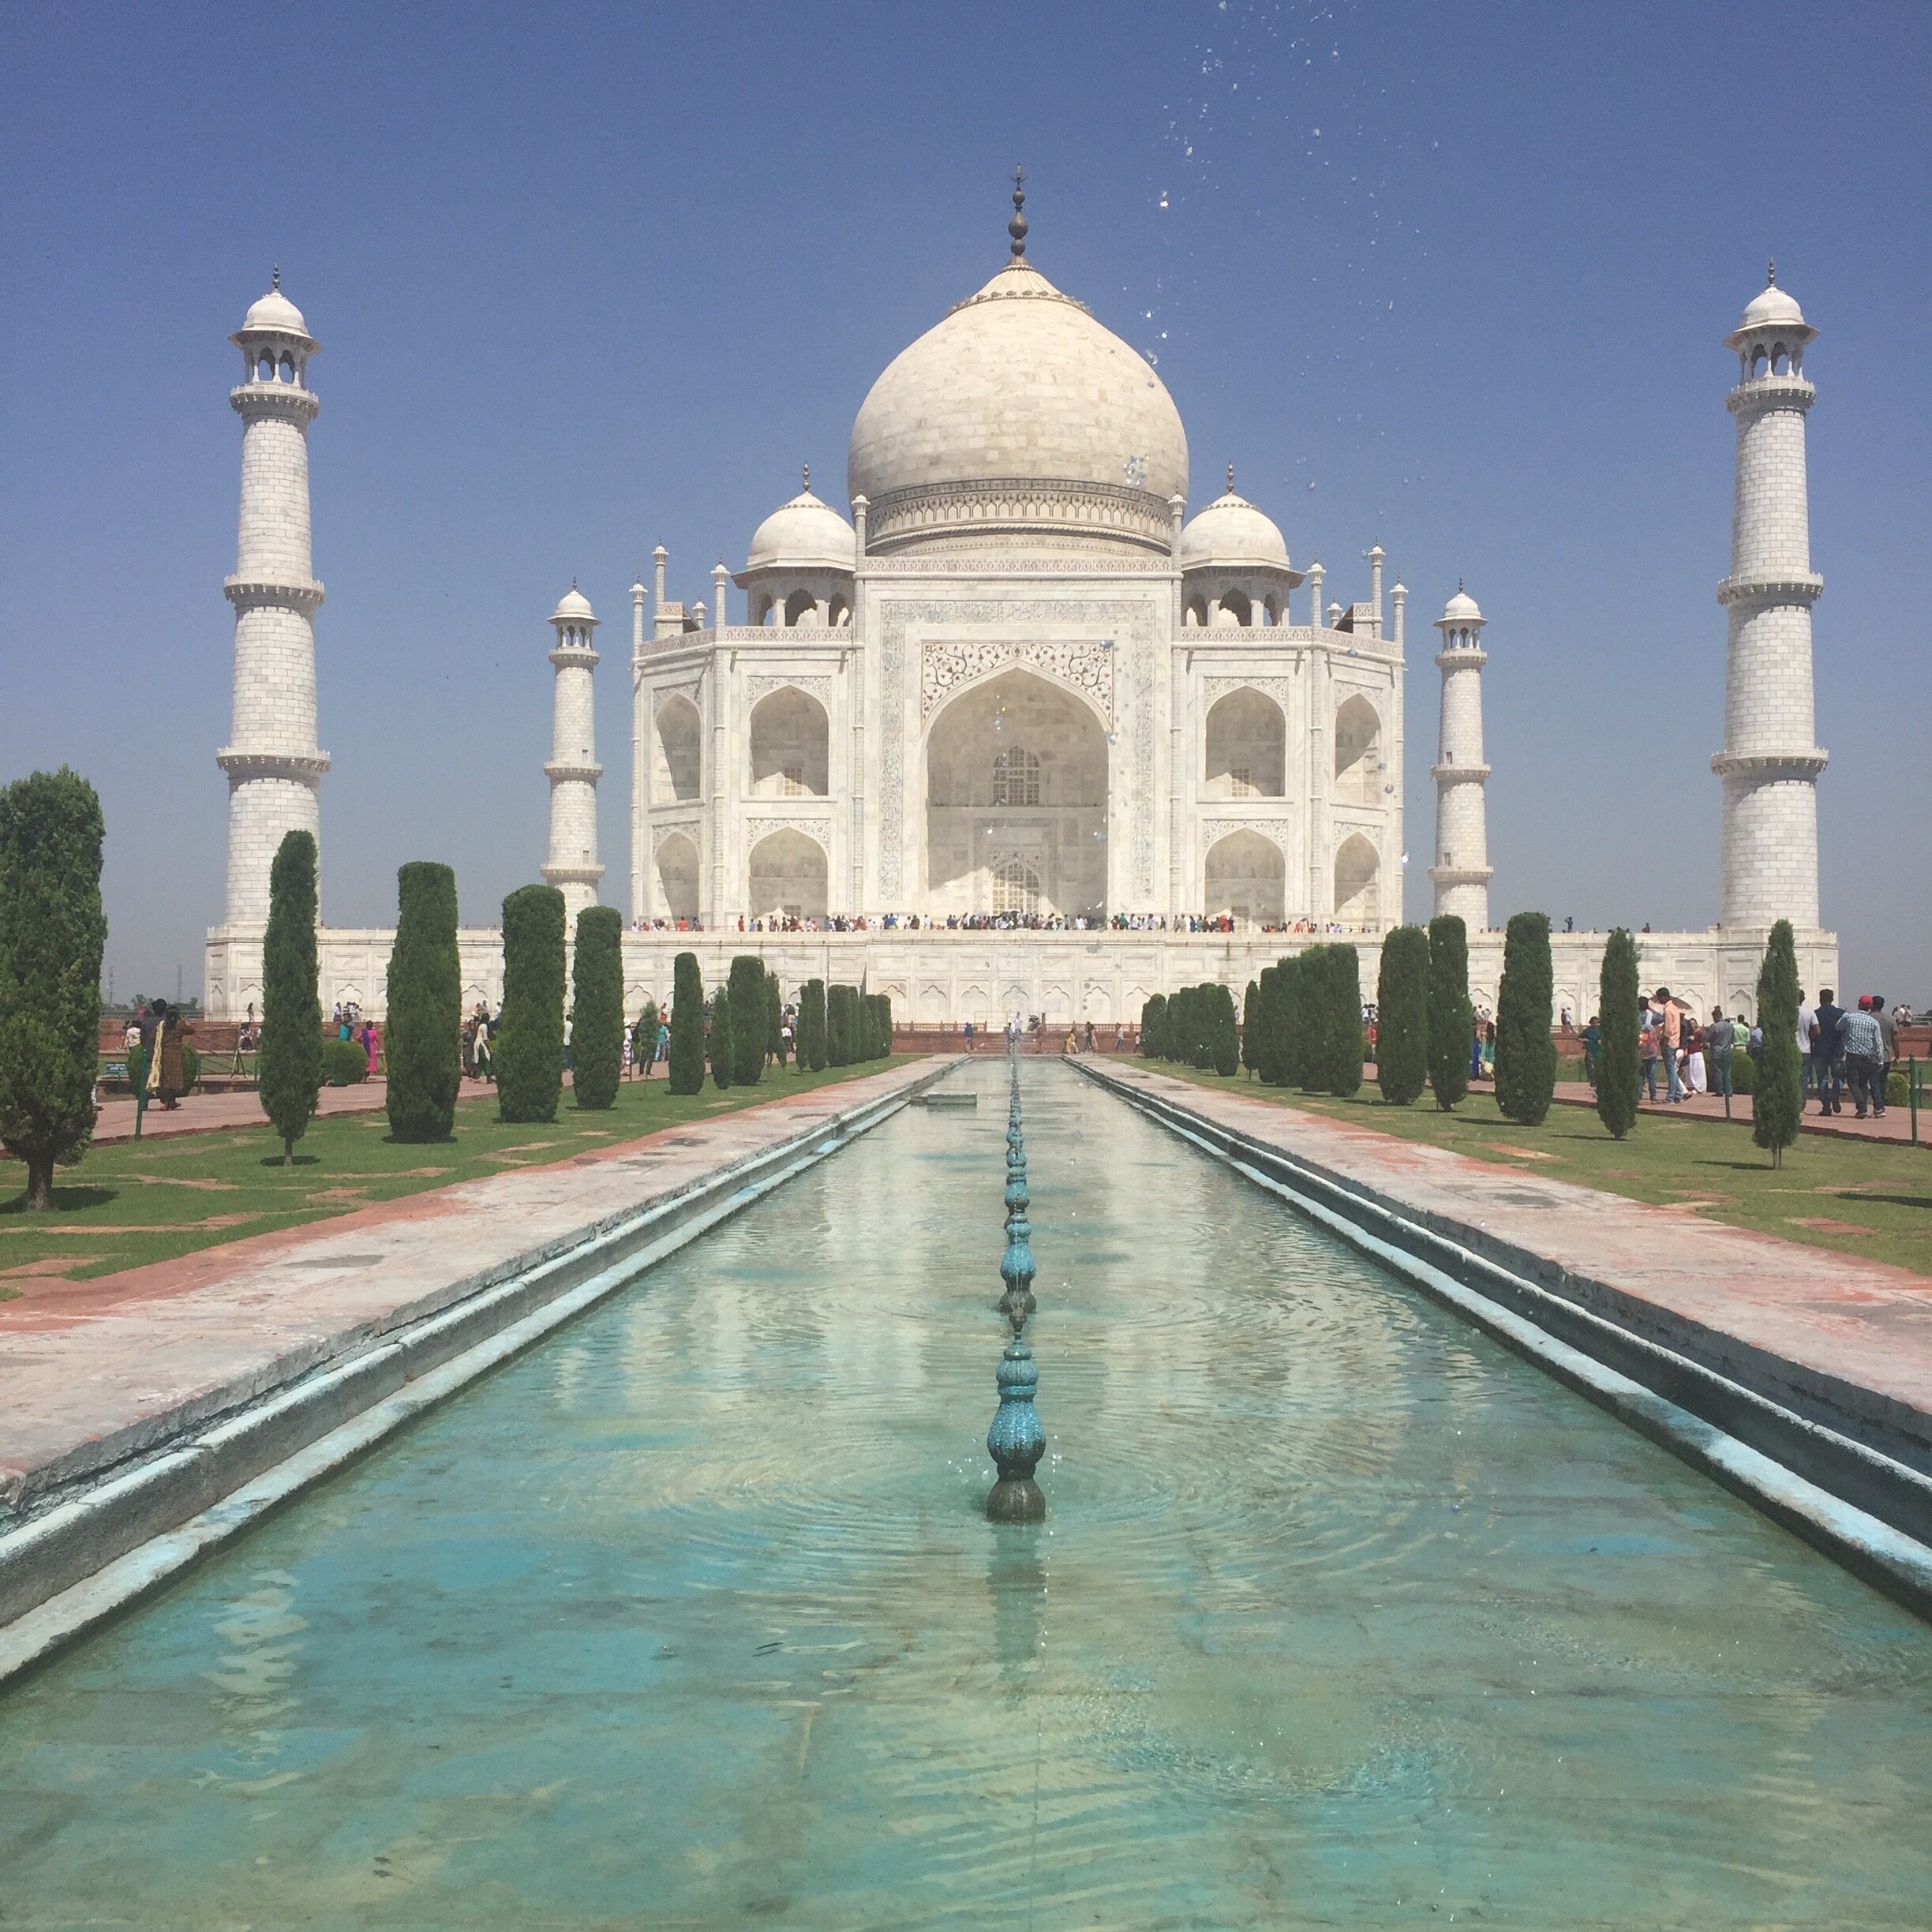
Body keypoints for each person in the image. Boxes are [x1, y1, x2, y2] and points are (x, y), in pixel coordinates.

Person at [1839, 998, 1885, 1120]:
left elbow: (1838, 1027)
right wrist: (1880, 1059)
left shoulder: (1849, 1017)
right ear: (1869, 1006)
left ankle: (1861, 1106)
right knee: (1863, 1083)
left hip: (1853, 1055)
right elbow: (1878, 1042)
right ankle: (1864, 1107)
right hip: (1868, 1057)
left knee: (1853, 1082)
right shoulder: (1873, 1022)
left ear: (1860, 1004)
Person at [1811, 987, 1845, 1115]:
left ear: (1820, 999)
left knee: (1822, 1079)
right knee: (1839, 1076)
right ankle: (1835, 1095)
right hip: (1836, 1050)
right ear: (1832, 999)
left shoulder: (1815, 1014)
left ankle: (1826, 1107)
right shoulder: (1840, 1014)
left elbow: (1813, 1032)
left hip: (1819, 1051)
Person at [1656, 988, 1684, 1103]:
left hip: (1669, 1042)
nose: (1658, 1000)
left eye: (1659, 998)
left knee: (1670, 1071)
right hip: (1675, 1041)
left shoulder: (1668, 1010)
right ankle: (1678, 1094)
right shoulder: (1675, 1009)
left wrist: (1663, 1040)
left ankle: (1670, 1097)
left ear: (1663, 997)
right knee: (1672, 1070)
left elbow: (1668, 1030)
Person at [1873, 994, 1897, 1118]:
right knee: (1882, 1081)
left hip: (1872, 1056)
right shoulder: (1890, 1020)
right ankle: (1881, 1104)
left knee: (1874, 1082)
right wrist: (1897, 1056)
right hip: (1887, 1055)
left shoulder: (1869, 1018)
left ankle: (1878, 1106)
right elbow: (1895, 1039)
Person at [1706, 1007, 1735, 1104]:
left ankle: (1719, 1091)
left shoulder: (1715, 1027)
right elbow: (1732, 1038)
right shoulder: (1730, 1026)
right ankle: (1729, 1091)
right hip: (1727, 1051)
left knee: (1718, 1071)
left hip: (1716, 1050)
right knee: (1727, 1071)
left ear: (1716, 1016)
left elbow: (1708, 1038)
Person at [1639, 999, 1661, 1103]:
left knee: (1640, 1074)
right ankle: (1653, 1096)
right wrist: (1651, 1009)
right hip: (1651, 1048)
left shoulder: (1634, 1017)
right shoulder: (1651, 1017)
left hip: (1639, 1048)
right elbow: (1662, 1017)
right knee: (1651, 1074)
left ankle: (1638, 1095)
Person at [1580, 1013, 1603, 1089]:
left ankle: (1599, 1081)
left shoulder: (1600, 1030)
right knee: (1589, 1065)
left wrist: (1601, 1041)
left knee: (1599, 1066)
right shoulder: (1587, 1031)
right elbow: (1579, 1038)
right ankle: (1592, 1081)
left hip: (1598, 1050)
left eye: (1597, 1022)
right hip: (1590, 1049)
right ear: (1591, 1023)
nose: (1596, 1024)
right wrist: (1584, 1039)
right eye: (1594, 1023)